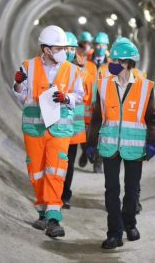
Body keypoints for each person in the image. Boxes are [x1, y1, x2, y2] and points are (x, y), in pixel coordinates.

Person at [86, 38, 155, 249]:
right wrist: (92, 143)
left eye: (118, 59)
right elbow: (97, 118)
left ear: (128, 63)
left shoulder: (145, 87)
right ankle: (114, 233)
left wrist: (151, 143)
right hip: (109, 146)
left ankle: (130, 223)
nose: (113, 63)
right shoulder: (103, 85)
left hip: (134, 147)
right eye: (113, 59)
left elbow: (151, 118)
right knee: (111, 190)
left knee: (132, 190)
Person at [13, 25, 84, 238]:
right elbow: (20, 94)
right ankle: (43, 212)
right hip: (34, 127)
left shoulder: (72, 70)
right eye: (58, 48)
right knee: (37, 171)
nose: (63, 51)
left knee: (56, 170)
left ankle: (54, 218)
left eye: (64, 47)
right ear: (45, 49)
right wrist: (18, 84)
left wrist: (66, 98)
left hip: (60, 127)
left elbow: (79, 95)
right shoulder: (28, 66)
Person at [61, 31, 96, 209]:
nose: (68, 51)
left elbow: (89, 94)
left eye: (71, 48)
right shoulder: (51, 68)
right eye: (65, 47)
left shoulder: (84, 69)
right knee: (56, 161)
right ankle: (53, 193)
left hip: (73, 124)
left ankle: (65, 195)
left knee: (68, 161)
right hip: (54, 124)